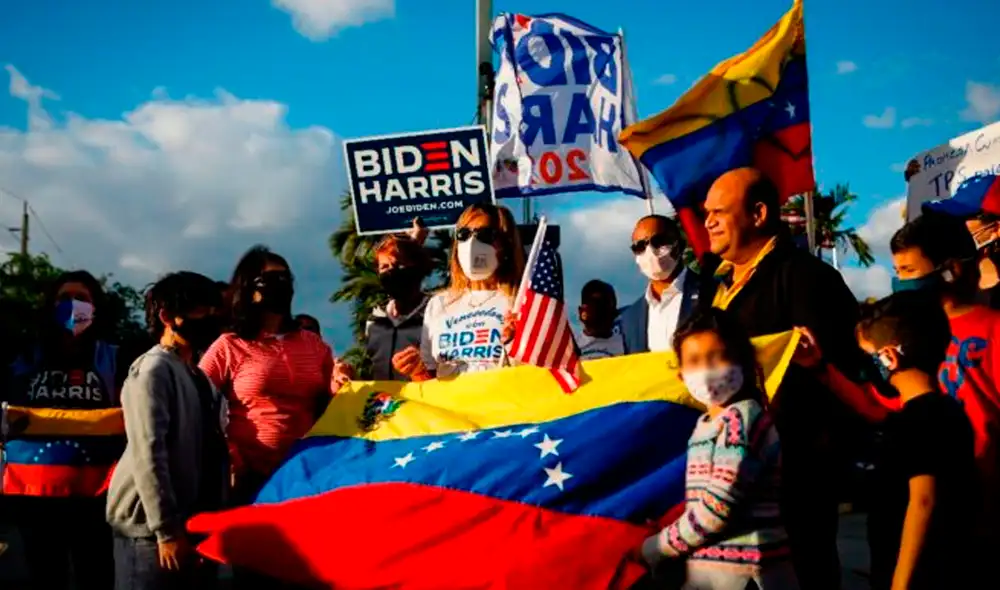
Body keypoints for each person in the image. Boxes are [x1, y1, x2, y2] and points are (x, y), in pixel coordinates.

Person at [703, 167, 861, 590]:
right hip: (725, 479)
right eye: (706, 213)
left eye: (719, 211)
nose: (708, 222)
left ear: (758, 214)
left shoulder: (808, 278)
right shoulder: (711, 288)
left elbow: (846, 375)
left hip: (793, 482)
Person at [798, 293, 976, 590]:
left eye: (868, 355)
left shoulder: (920, 421)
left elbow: (923, 501)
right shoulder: (941, 412)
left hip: (921, 576)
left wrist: (900, 583)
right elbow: (870, 408)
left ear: (889, 357)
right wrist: (819, 367)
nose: (867, 366)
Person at [639, 308, 796, 589]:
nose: (706, 370)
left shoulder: (742, 418)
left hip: (748, 575)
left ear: (744, 363)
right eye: (694, 361)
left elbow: (717, 509)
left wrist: (654, 548)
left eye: (717, 357)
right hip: (713, 575)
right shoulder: (705, 424)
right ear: (680, 375)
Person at [199, 246, 350, 505]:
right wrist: (230, 455)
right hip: (248, 476)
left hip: (308, 471)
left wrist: (341, 383)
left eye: (285, 279)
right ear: (248, 288)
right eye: (270, 280)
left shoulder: (313, 344)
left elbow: (332, 403)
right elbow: (196, 402)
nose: (280, 286)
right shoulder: (229, 345)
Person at [2, 271, 123, 589]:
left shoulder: (114, 357)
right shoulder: (22, 356)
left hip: (97, 496)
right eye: (64, 298)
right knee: (45, 576)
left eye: (82, 298)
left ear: (95, 307)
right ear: (50, 306)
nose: (73, 305)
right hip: (35, 496)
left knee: (95, 575)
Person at [107, 271, 227, 590]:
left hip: (188, 525)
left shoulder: (197, 376)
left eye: (214, 310)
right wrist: (166, 530)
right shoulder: (152, 369)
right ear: (167, 316)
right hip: (149, 533)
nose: (211, 318)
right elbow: (149, 453)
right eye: (202, 310)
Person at [392, 203, 523, 380]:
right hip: (451, 406)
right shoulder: (439, 304)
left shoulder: (522, 300)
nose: (471, 243)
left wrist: (520, 342)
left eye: (484, 235)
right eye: (463, 234)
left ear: (506, 244)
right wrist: (416, 369)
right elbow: (430, 380)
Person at [618, 215, 702, 355]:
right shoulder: (630, 318)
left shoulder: (711, 292)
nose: (650, 251)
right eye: (640, 246)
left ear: (680, 245)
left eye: (658, 241)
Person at [366, 233, 432, 380]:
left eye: (398, 265)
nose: (391, 272)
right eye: (384, 267)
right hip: (387, 401)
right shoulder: (374, 319)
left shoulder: (437, 312)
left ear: (418, 269)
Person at [577, 279, 625, 360]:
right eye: (597, 308)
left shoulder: (626, 345)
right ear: (582, 312)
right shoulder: (570, 347)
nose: (602, 314)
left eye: (607, 309)